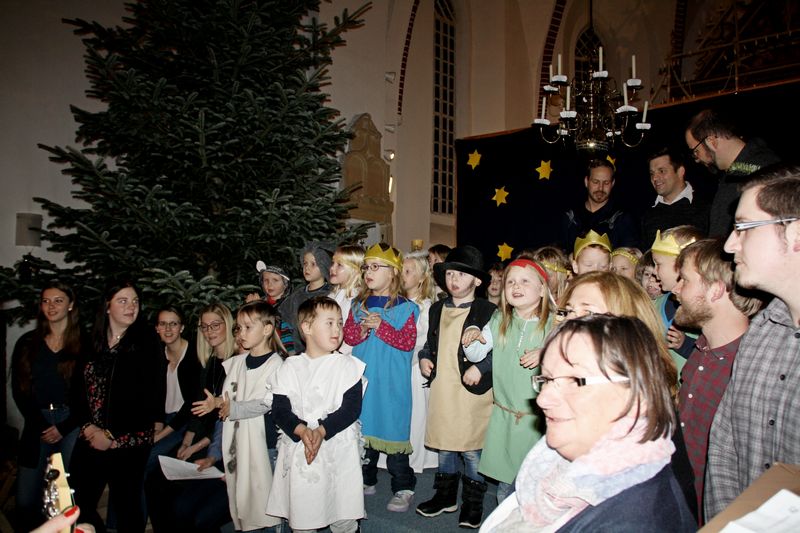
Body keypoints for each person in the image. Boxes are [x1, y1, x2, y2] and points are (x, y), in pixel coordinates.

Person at [481, 315, 695, 532]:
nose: (542, 399)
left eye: (575, 381)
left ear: (634, 392)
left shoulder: (635, 521)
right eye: (546, 380)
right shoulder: (554, 457)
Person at [705, 166, 800, 519]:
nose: (729, 244)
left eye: (744, 228)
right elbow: (724, 446)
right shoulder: (761, 332)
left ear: (796, 233)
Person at [672, 238, 762, 520]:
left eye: (685, 280)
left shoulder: (750, 369)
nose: (675, 289)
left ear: (716, 290)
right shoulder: (701, 350)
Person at [267, 296, 366, 533]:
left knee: (342, 509)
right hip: (301, 445)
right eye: (329, 323)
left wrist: (322, 431)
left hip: (336, 444)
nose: (337, 329)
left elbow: (351, 409)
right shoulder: (290, 367)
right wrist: (301, 430)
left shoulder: (348, 366)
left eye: (340, 323)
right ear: (307, 327)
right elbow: (280, 409)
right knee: (304, 509)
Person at [69, 280, 161, 533]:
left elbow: (150, 397)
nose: (131, 306)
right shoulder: (92, 341)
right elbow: (77, 391)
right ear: (108, 306)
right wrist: (88, 428)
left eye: (135, 301)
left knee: (127, 508)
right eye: (123, 301)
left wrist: (110, 435)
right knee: (76, 504)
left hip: (129, 441)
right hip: (90, 436)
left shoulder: (147, 342)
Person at [462, 259, 554, 507]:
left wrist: (546, 353)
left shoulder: (554, 324)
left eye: (524, 281)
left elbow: (571, 357)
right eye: (510, 281)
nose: (516, 286)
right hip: (505, 416)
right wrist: (471, 338)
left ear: (542, 289)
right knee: (506, 487)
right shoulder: (499, 319)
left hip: (537, 421)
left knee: (535, 483)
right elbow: (477, 355)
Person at [416, 245, 495, 528]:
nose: (454, 279)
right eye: (450, 274)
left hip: (471, 393)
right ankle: (445, 496)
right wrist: (424, 358)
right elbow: (430, 343)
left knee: (471, 450)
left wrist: (480, 367)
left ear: (477, 280)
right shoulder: (437, 308)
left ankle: (473, 503)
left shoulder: (488, 311)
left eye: (461, 274)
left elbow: (499, 350)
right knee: (445, 446)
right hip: (444, 389)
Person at [343, 243, 419, 512]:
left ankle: (403, 487)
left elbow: (407, 342)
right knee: (365, 431)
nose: (368, 273)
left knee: (392, 430)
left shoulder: (407, 308)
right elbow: (349, 336)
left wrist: (381, 326)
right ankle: (367, 479)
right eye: (366, 268)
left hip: (391, 383)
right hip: (365, 380)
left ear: (393, 272)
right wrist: (363, 330)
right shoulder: (358, 305)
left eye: (376, 267)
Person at [11, 282, 84, 531]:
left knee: (67, 494)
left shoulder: (84, 344)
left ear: (70, 305)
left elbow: (89, 394)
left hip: (71, 423)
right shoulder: (27, 343)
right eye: (46, 301)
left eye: (58, 300)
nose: (51, 306)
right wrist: (41, 423)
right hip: (37, 421)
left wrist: (64, 427)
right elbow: (19, 389)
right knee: (25, 499)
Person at [219, 300, 286, 532]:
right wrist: (217, 403)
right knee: (248, 496)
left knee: (268, 500)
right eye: (239, 327)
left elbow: (265, 402)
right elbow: (230, 395)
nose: (241, 333)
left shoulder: (276, 364)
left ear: (267, 329)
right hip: (241, 441)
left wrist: (233, 409)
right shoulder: (238, 362)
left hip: (266, 444)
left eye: (248, 327)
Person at [685, 109, 780, 237]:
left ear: (712, 142)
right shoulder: (735, 173)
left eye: (695, 151)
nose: (696, 159)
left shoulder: (763, 173)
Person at [147, 306, 201, 476]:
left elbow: (191, 403)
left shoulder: (194, 354)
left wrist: (160, 435)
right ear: (157, 328)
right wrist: (157, 427)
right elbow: (156, 397)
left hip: (184, 422)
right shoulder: (157, 355)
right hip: (164, 420)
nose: (168, 329)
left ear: (182, 327)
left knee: (147, 459)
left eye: (173, 324)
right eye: (163, 324)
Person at [182, 303, 237, 461]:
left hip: (225, 438)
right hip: (204, 433)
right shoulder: (208, 363)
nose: (209, 331)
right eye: (205, 327)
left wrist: (195, 447)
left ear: (227, 325)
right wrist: (186, 443)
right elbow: (197, 406)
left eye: (215, 325)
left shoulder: (237, 362)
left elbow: (226, 418)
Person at [400, 250, 439, 472]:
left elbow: (423, 339)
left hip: (414, 366)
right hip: (398, 364)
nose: (402, 275)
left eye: (408, 271)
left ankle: (416, 458)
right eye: (401, 270)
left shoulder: (425, 306)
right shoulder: (396, 303)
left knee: (417, 413)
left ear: (422, 277)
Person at [651, 225, 705, 372]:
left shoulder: (702, 309)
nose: (654, 271)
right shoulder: (656, 304)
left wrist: (685, 345)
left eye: (658, 264)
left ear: (681, 265)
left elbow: (714, 357)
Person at [559, 158, 639, 251]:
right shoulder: (570, 216)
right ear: (586, 182)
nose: (600, 188)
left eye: (606, 183)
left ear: (612, 183)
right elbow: (558, 252)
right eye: (595, 182)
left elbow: (628, 255)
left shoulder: (622, 218)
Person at [641, 146, 709, 248]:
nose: (655, 178)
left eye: (661, 171)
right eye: (652, 173)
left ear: (680, 172)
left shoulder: (706, 206)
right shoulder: (647, 214)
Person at [281, 240, 336, 352]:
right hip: (297, 354)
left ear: (324, 266)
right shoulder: (297, 296)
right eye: (305, 263)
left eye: (313, 264)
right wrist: (290, 350)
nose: (307, 268)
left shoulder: (330, 295)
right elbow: (285, 322)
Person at [329, 243, 365, 354]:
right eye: (333, 263)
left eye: (339, 265)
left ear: (355, 270)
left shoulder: (358, 299)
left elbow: (359, 334)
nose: (332, 268)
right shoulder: (332, 295)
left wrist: (339, 354)